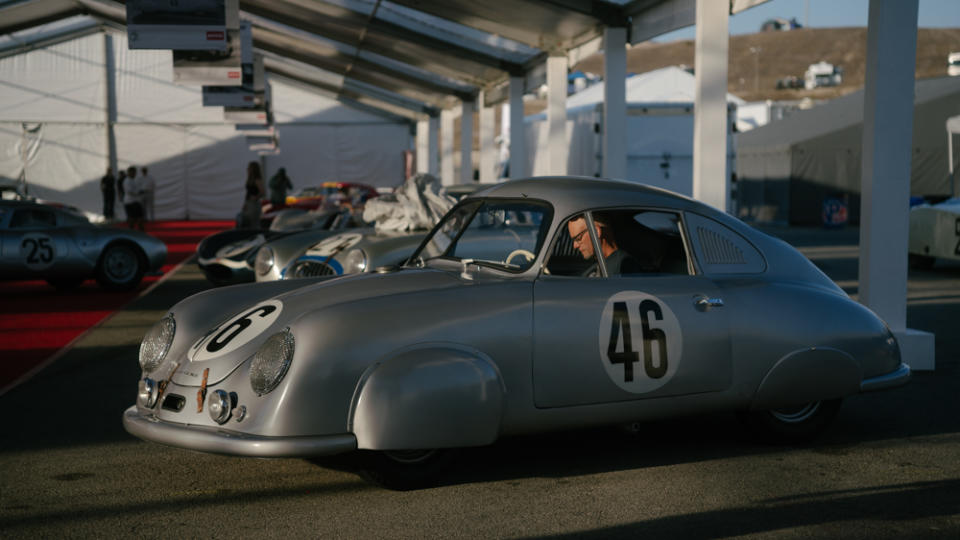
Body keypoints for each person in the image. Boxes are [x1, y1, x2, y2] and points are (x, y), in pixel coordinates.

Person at [566, 214, 640, 276]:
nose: (575, 246)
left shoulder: (624, 266)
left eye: (578, 238)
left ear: (596, 232)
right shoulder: (599, 266)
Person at [238, 161, 265, 228]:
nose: (247, 169)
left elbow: (262, 192)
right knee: (248, 222)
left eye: (249, 168)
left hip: (254, 204)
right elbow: (248, 192)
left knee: (254, 223)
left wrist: (255, 197)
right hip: (249, 203)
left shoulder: (257, 180)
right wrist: (245, 203)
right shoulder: (250, 179)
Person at [122, 165, 145, 231]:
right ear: (129, 172)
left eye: (135, 172)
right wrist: (138, 192)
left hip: (135, 201)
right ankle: (132, 231)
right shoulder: (127, 181)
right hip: (130, 202)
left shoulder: (133, 180)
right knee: (133, 218)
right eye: (133, 172)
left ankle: (139, 230)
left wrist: (139, 191)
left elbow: (136, 189)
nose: (135, 174)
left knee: (139, 217)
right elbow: (129, 191)